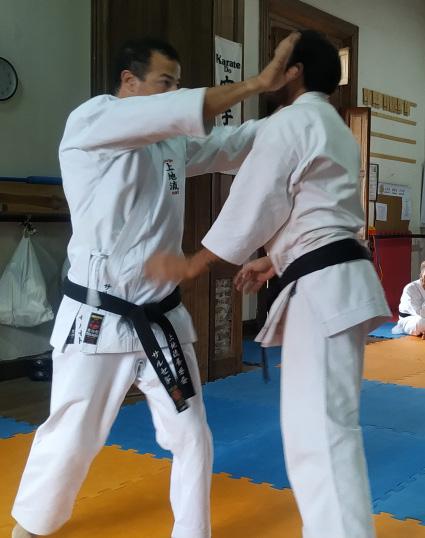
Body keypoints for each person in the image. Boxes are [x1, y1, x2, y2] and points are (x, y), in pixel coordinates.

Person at [11, 34, 300, 538]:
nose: (174, 93)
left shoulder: (170, 144)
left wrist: (299, 120)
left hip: (161, 319)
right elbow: (177, 112)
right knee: (73, 433)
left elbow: (231, 144)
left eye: (177, 85)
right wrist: (256, 83)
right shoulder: (93, 120)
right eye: (165, 82)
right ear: (129, 81)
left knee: (192, 435)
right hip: (98, 319)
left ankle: (192, 532)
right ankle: (33, 524)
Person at [145, 30, 391, 538]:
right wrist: (275, 262)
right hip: (333, 280)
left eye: (280, 62)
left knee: (321, 434)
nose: (273, 71)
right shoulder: (332, 126)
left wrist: (194, 263)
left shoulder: (294, 122)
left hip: (325, 290)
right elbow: (317, 210)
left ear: (294, 71)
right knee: (324, 428)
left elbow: (259, 198)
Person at [392, 261, 425, 337]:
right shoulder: (410, 288)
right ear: (421, 275)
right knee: (423, 322)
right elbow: (421, 314)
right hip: (411, 320)